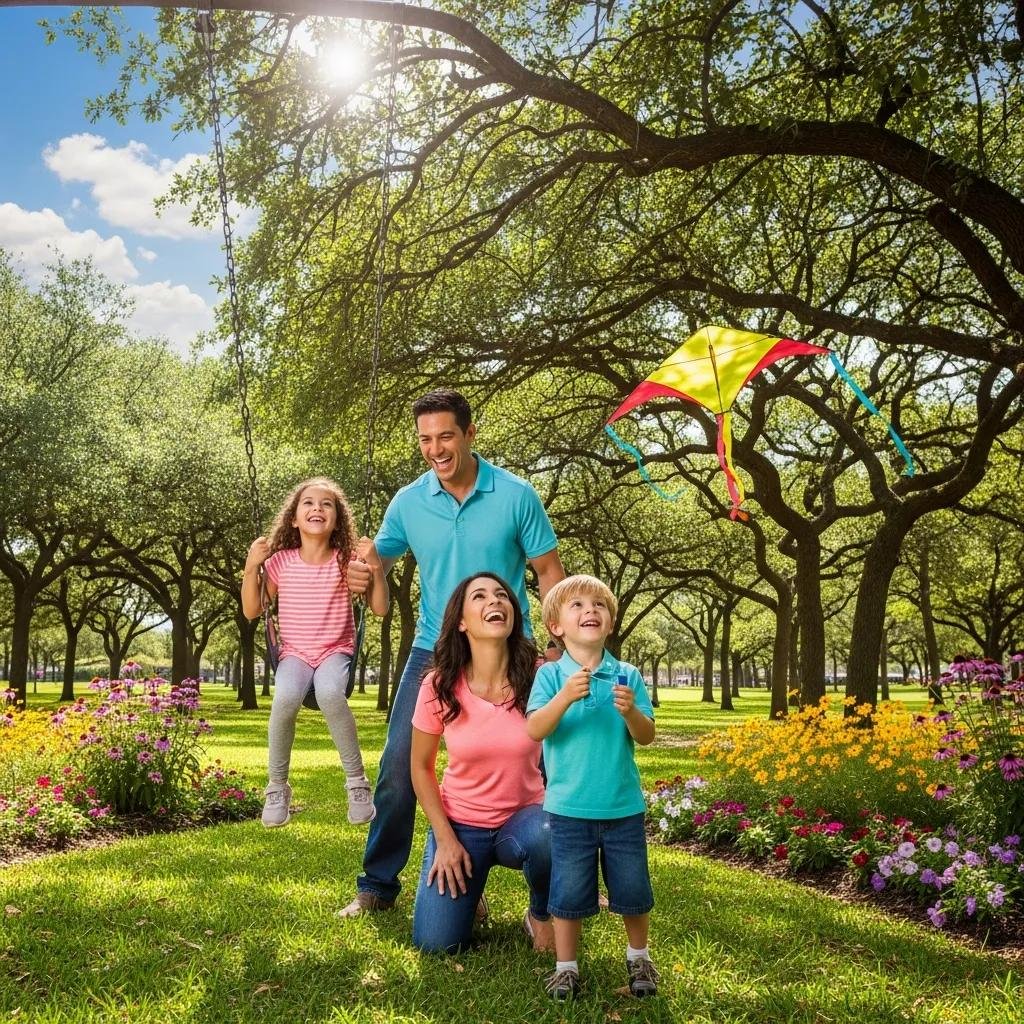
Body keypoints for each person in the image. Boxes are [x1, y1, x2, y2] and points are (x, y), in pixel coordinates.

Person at [339, 388, 564, 917]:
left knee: (551, 762)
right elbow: (380, 560)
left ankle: (560, 878)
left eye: (445, 436)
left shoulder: (515, 495)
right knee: (399, 766)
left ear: (469, 434)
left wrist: (557, 646)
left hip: (515, 651)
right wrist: (363, 571)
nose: (435, 449)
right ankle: (377, 884)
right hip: (433, 650)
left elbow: (550, 572)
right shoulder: (409, 501)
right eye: (425, 439)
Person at [526, 574, 658, 1001]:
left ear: (611, 622)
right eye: (578, 605)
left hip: (623, 808)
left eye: (599, 605)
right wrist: (564, 697)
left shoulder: (627, 674)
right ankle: (566, 968)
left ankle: (639, 957)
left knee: (634, 889)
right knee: (566, 893)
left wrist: (631, 712)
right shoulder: (550, 676)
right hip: (568, 810)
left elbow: (646, 735)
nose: (590, 611)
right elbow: (535, 728)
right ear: (556, 626)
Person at [410, 573, 553, 952]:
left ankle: (540, 913)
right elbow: (421, 766)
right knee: (435, 945)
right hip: (461, 828)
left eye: (502, 595)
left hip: (524, 820)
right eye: (480, 596)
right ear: (461, 621)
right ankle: (471, 893)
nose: (495, 601)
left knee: (548, 834)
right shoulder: (438, 684)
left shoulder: (540, 676)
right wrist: (444, 838)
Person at [241, 477, 389, 828]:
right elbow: (251, 609)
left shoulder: (348, 561)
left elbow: (380, 609)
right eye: (308, 503)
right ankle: (277, 786)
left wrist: (376, 567)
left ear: (338, 519)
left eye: (327, 504)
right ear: (294, 518)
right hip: (295, 653)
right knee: (286, 697)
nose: (317, 508)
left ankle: (356, 783)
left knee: (329, 693)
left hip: (335, 651)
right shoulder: (279, 563)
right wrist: (251, 566)